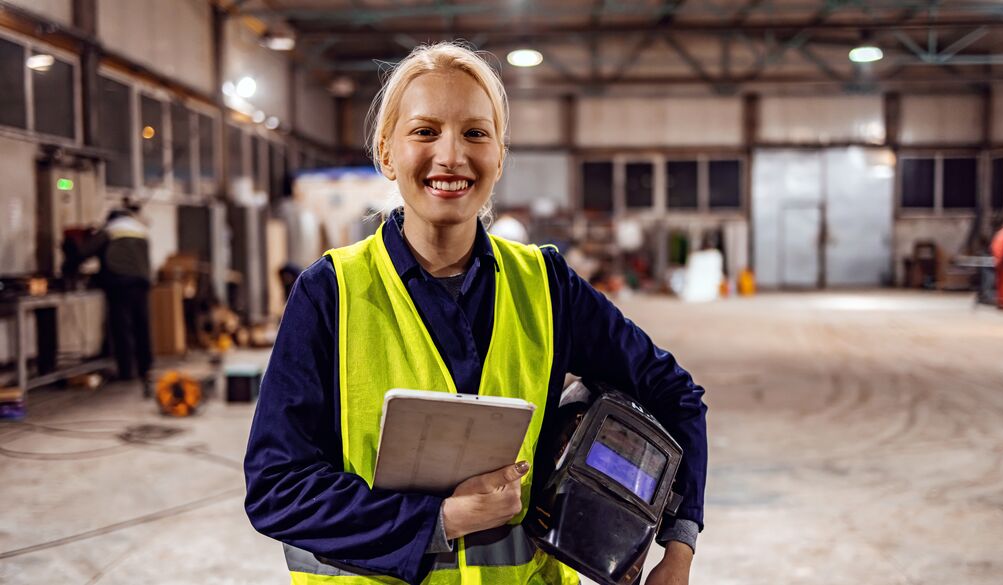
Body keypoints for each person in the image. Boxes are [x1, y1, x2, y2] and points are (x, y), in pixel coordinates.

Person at [243, 42, 708, 585]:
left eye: (475, 133)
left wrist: (679, 545)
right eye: (424, 131)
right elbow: (277, 488)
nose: (451, 156)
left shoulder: (546, 285)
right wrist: (439, 519)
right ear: (387, 152)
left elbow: (676, 395)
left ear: (500, 155)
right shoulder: (331, 293)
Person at [78, 203, 153, 385]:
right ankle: (146, 368)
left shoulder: (110, 230)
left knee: (122, 327)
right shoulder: (140, 230)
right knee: (141, 325)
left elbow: (84, 252)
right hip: (142, 282)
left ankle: (126, 371)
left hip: (120, 283)